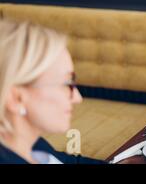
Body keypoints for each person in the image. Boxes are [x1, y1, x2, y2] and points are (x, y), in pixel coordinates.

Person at [0, 20, 104, 164]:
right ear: (16, 98)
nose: (77, 98)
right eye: (66, 83)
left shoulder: (30, 143)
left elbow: (68, 161)